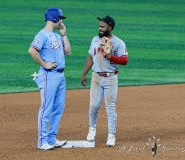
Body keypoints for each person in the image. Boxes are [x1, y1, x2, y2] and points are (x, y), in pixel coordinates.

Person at [81, 15, 128, 147]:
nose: (100, 28)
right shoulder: (95, 40)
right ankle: (92, 129)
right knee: (94, 105)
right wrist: (84, 73)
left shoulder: (118, 42)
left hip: (111, 78)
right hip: (96, 77)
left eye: (102, 26)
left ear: (110, 27)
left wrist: (110, 57)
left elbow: (125, 60)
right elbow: (90, 57)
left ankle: (111, 135)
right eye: (99, 26)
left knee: (110, 107)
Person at [28, 8, 71, 150]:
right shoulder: (42, 34)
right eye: (60, 18)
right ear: (53, 18)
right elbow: (32, 50)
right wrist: (44, 64)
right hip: (49, 76)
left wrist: (64, 35)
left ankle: (51, 138)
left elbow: (68, 52)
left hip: (60, 76)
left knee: (58, 108)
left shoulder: (57, 35)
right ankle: (42, 141)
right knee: (46, 108)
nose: (61, 20)